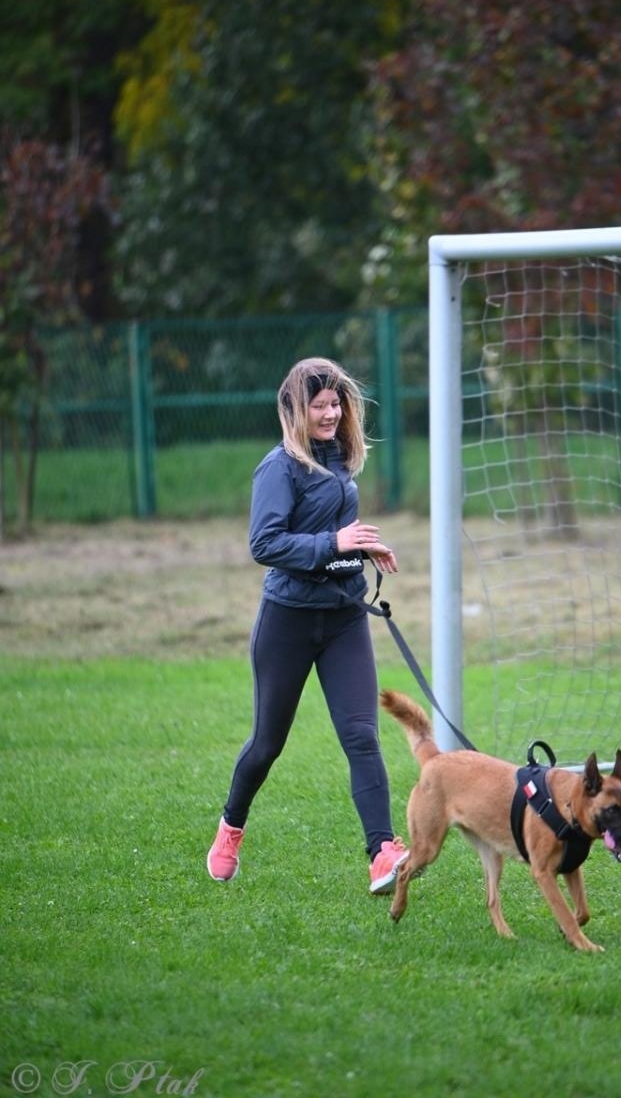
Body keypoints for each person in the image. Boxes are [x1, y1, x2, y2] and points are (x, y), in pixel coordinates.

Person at [206, 356, 409, 894]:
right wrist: (335, 543)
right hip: (289, 622)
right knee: (267, 744)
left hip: (344, 618)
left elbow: (330, 532)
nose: (330, 412)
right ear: (296, 409)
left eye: (336, 403)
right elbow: (265, 544)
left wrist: (362, 548)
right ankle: (231, 827)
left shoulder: (340, 459)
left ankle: (382, 852)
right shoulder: (278, 467)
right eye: (319, 404)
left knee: (362, 737)